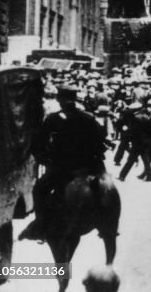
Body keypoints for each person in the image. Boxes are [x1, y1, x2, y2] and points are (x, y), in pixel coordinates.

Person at [21, 85, 108, 241]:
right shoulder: (88, 117)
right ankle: (108, 223)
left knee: (39, 190)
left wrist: (45, 159)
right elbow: (101, 140)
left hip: (61, 168)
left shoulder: (52, 119)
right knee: (105, 189)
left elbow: (38, 143)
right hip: (87, 166)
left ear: (59, 99)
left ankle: (41, 224)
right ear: (75, 99)